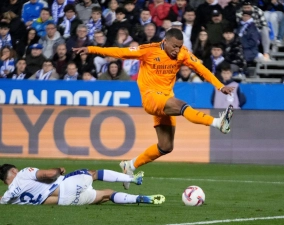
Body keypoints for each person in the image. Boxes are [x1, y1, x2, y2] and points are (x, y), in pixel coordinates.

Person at [73, 28, 234, 190]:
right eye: (175, 46)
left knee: (166, 146)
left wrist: (220, 86)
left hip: (165, 99)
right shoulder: (149, 50)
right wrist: (91, 49)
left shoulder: (183, 53)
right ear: (165, 42)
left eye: (180, 46)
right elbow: (119, 52)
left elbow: (202, 69)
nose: (177, 50)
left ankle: (130, 165)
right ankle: (217, 122)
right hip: (151, 98)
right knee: (181, 105)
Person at [0, 164, 165, 206]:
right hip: (65, 187)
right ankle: (132, 179)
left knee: (105, 195)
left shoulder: (8, 198)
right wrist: (59, 169)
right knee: (93, 174)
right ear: (14, 171)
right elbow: (49, 174)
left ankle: (140, 198)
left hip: (65, 202)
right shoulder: (22, 174)